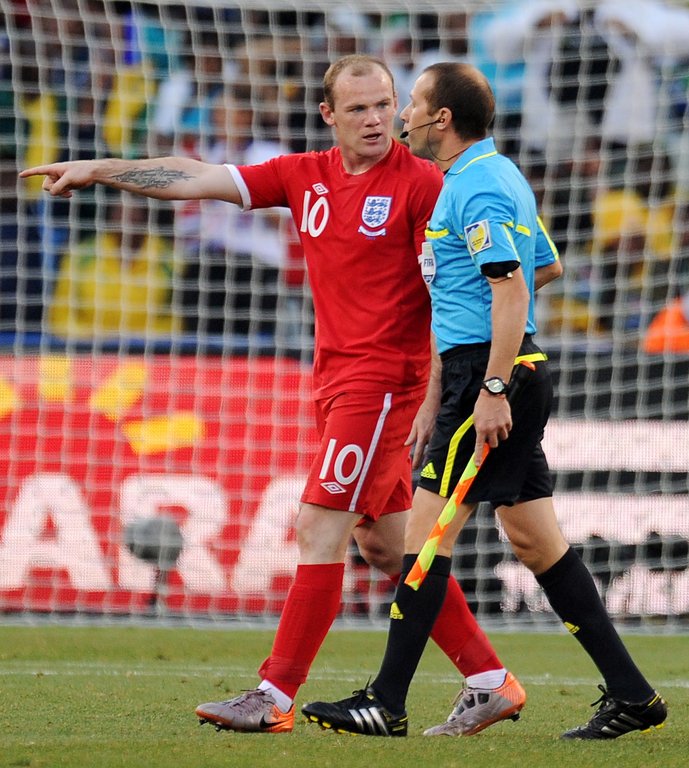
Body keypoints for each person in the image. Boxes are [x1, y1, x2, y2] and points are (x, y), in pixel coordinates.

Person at [21, 54, 526, 737]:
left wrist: (440, 391)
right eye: (358, 108)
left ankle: (273, 693)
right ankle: (489, 680)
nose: (376, 119)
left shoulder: (423, 187)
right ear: (328, 115)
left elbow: (454, 294)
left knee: (318, 526)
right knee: (385, 546)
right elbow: (196, 176)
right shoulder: (304, 175)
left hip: (382, 387)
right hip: (334, 382)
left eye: (384, 104)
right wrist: (99, 168)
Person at [301, 61, 667, 740]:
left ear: (441, 119)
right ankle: (633, 695)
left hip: (489, 378)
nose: (402, 114)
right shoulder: (491, 177)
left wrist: (492, 384)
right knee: (535, 541)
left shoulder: (476, 188)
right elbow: (544, 264)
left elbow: (513, 286)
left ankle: (385, 700)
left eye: (412, 102)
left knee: (423, 541)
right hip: (497, 368)